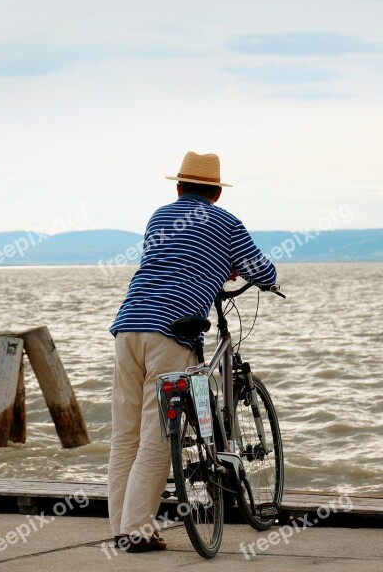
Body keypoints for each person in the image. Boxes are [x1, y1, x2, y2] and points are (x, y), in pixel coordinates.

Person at [108, 151, 277, 552]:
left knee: (125, 434)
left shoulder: (159, 216)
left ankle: (121, 527)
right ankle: (138, 530)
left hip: (129, 324)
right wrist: (231, 265)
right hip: (172, 333)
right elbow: (265, 273)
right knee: (157, 436)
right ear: (217, 192)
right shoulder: (226, 222)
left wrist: (216, 262)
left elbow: (171, 258)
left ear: (179, 187)